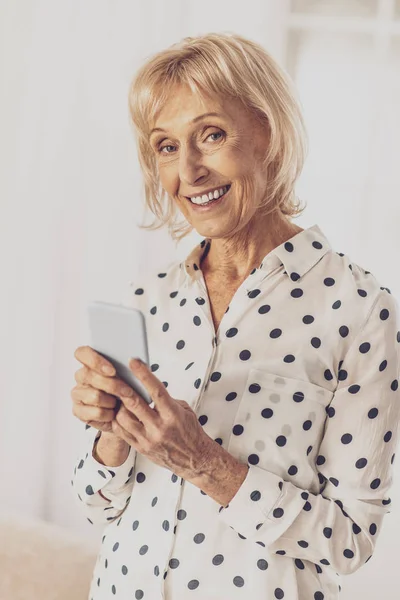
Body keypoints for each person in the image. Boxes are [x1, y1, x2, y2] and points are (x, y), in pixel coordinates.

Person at [70, 32, 400, 600]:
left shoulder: (361, 309)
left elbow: (350, 540)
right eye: (166, 147)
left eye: (211, 135)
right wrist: (110, 438)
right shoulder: (148, 295)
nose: (189, 170)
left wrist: (203, 463)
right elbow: (100, 508)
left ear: (267, 134)